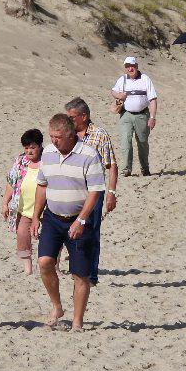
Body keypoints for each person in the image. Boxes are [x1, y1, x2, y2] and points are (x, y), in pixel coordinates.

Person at [34, 113, 105, 331]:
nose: (53, 141)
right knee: (44, 262)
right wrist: (36, 216)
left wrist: (82, 220)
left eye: (58, 137)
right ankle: (57, 306)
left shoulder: (89, 154)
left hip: (79, 220)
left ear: (70, 134)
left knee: (80, 274)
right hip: (53, 218)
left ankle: (77, 321)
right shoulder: (47, 152)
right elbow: (42, 185)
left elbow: (94, 191)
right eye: (51, 136)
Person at [65, 97, 119, 279]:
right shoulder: (67, 134)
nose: (69, 121)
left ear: (84, 116)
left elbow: (111, 165)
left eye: (72, 117)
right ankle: (77, 267)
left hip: (94, 190)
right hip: (71, 188)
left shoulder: (100, 135)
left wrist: (111, 192)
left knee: (92, 230)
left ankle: (91, 273)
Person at [0, 129, 44, 275]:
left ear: (40, 145)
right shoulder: (20, 161)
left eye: (32, 147)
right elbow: (11, 183)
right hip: (24, 209)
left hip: (46, 210)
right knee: (22, 236)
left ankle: (54, 266)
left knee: (50, 239)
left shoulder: (48, 160)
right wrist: (5, 202)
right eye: (26, 148)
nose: (29, 152)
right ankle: (28, 269)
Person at [111, 56, 159, 177]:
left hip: (142, 115)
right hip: (125, 115)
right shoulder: (122, 79)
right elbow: (113, 91)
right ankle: (126, 169)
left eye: (132, 66)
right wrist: (119, 95)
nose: (130, 68)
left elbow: (153, 100)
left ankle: (145, 168)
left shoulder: (145, 79)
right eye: (127, 66)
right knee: (125, 141)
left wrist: (152, 117)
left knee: (142, 142)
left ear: (136, 66)